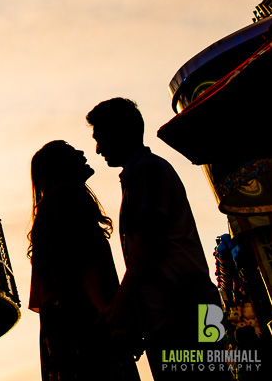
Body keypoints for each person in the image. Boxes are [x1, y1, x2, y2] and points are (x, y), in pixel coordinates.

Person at [87, 97, 223, 378]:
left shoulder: (146, 171)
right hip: (192, 307)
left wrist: (122, 305)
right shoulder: (146, 170)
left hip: (180, 311)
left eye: (100, 138)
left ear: (120, 132)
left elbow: (148, 243)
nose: (98, 149)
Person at [28, 140, 141, 380]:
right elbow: (81, 259)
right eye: (71, 152)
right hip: (87, 319)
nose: (81, 152)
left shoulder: (50, 203)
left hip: (71, 320)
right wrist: (108, 311)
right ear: (60, 165)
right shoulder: (67, 195)